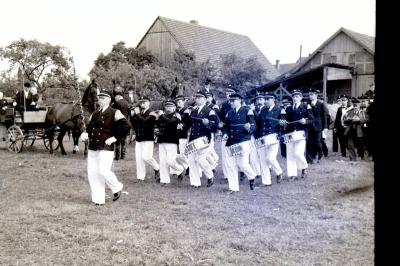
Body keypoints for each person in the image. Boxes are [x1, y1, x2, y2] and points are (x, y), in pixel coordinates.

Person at [80, 90, 131, 206]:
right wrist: (85, 133)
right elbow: (89, 128)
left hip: (105, 146)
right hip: (93, 146)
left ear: (109, 100)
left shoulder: (115, 112)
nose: (100, 100)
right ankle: (98, 199)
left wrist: (115, 137)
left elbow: (127, 126)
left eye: (103, 98)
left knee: (103, 171)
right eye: (99, 98)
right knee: (93, 173)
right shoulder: (95, 113)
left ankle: (117, 187)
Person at [222, 93, 257, 192]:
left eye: (234, 100)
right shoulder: (229, 112)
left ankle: (252, 176)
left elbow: (254, 125)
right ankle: (233, 188)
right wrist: (225, 133)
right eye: (230, 100)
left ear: (240, 100)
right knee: (231, 165)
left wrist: (249, 127)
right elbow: (226, 127)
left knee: (242, 164)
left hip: (243, 141)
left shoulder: (247, 110)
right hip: (231, 141)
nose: (231, 102)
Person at [186, 90, 218, 188]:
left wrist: (208, 123)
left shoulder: (209, 111)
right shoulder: (193, 111)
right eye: (196, 97)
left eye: (200, 97)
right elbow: (189, 124)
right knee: (191, 160)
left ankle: (210, 176)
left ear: (204, 99)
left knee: (201, 159)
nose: (197, 99)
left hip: (205, 137)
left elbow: (216, 124)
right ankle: (195, 183)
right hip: (193, 137)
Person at [280, 89, 314, 181]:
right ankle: (292, 175)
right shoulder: (288, 109)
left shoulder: (306, 106)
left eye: (297, 96)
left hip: (301, 134)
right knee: (290, 154)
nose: (295, 98)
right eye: (294, 96)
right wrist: (283, 123)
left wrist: (305, 121)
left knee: (298, 153)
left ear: (301, 97)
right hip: (290, 134)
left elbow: (312, 120)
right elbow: (285, 122)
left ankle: (304, 167)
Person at [255, 92, 283, 185]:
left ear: (274, 99)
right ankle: (266, 182)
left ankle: (279, 172)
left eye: (268, 99)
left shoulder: (279, 110)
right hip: (262, 137)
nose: (266, 101)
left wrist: (282, 127)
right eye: (265, 99)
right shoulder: (263, 111)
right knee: (262, 160)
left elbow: (283, 125)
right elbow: (259, 124)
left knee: (270, 158)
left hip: (273, 138)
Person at [130, 96, 160, 181]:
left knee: (146, 157)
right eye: (141, 102)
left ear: (149, 103)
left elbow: (145, 122)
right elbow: (134, 124)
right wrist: (132, 116)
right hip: (139, 138)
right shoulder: (140, 112)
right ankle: (140, 177)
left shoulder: (152, 113)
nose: (142, 104)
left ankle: (157, 168)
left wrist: (137, 114)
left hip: (148, 138)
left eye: (144, 102)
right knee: (138, 158)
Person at [155, 99, 185, 184]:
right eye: (167, 106)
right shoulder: (162, 116)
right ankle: (164, 179)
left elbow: (170, 122)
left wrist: (161, 116)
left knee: (170, 161)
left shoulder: (176, 116)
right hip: (162, 140)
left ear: (174, 107)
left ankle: (180, 169)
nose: (168, 108)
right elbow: (157, 125)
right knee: (162, 161)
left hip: (172, 141)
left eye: (170, 106)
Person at [306, 88, 327, 164]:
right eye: (309, 95)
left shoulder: (320, 104)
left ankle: (320, 154)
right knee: (310, 142)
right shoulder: (307, 104)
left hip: (318, 126)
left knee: (318, 142)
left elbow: (324, 116)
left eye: (312, 94)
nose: (310, 96)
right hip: (309, 126)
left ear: (316, 95)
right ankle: (311, 158)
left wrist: (325, 127)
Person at [112, 86, 130, 160]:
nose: (115, 98)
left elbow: (113, 113)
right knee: (124, 140)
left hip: (118, 124)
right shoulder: (127, 103)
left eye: (116, 96)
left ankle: (117, 156)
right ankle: (123, 155)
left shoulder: (116, 104)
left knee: (117, 140)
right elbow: (129, 113)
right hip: (126, 123)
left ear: (118, 96)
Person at [174, 95, 190, 175]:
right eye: (177, 102)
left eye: (180, 101)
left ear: (184, 102)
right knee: (175, 154)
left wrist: (182, 125)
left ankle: (188, 166)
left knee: (182, 154)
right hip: (175, 134)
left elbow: (188, 123)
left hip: (182, 134)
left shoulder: (186, 111)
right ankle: (186, 167)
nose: (178, 103)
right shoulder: (175, 111)